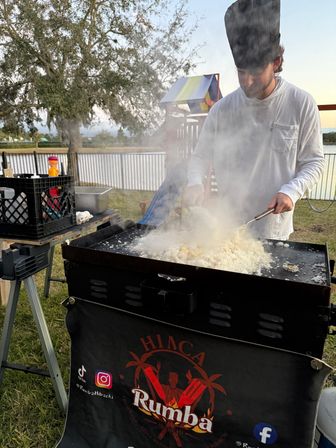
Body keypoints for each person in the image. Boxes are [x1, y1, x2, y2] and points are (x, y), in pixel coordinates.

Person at [184, 0, 325, 240]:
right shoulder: (221, 110)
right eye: (241, 72)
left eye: (256, 72)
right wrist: (195, 182)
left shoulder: (300, 103)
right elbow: (200, 157)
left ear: (276, 63)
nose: (247, 82)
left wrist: (291, 191)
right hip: (226, 225)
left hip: (272, 227)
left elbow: (314, 162)